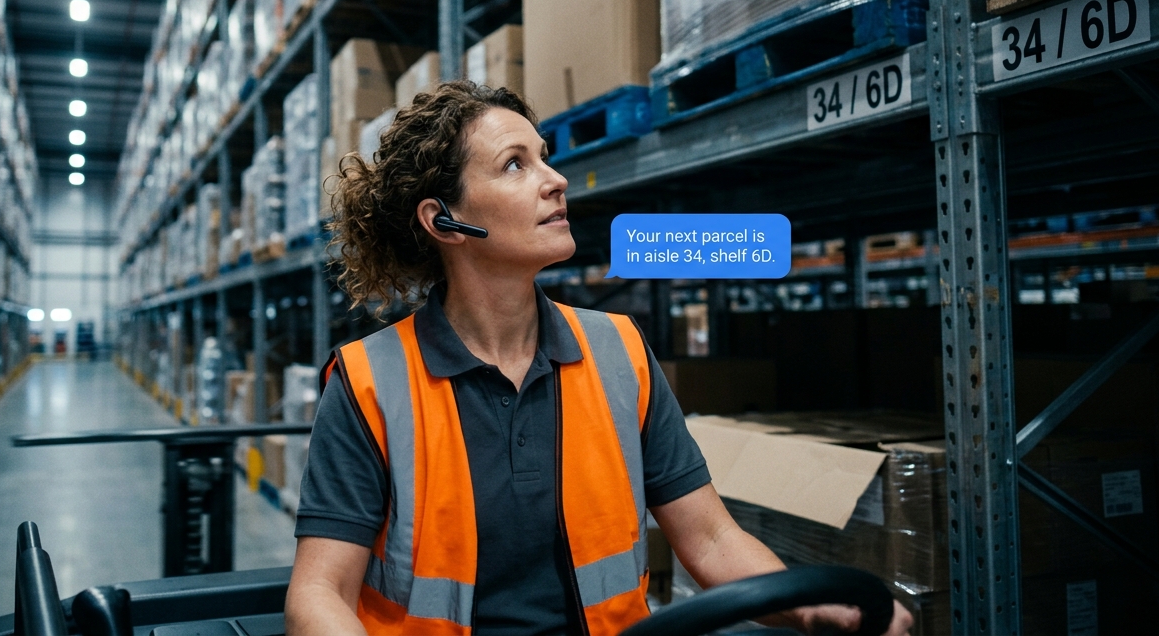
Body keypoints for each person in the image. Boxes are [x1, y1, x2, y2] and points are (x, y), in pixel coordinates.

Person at [284, 81, 913, 636]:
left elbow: (712, 538)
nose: (555, 180)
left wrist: (815, 607)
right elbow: (319, 594)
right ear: (444, 221)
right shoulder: (371, 382)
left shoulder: (618, 351)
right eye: (514, 165)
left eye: (545, 159)